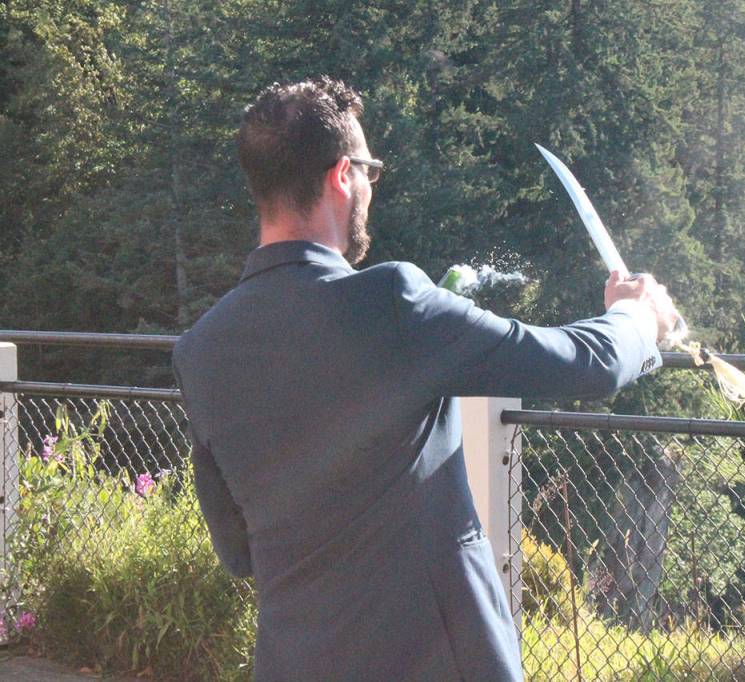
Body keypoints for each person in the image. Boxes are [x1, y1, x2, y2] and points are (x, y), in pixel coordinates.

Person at [171, 76, 678, 681]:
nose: (369, 187)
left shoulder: (200, 350)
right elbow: (584, 361)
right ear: (342, 176)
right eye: (369, 172)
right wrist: (638, 316)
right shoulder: (390, 301)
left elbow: (238, 552)